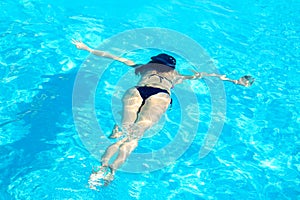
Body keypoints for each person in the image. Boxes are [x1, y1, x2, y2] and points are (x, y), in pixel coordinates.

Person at [71, 39, 254, 187]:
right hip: (160, 96)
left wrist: (86, 47)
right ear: (171, 67)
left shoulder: (143, 66)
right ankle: (112, 170)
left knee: (125, 128)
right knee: (134, 136)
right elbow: (207, 75)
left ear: (154, 61)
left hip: (137, 90)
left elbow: (113, 56)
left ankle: (101, 165)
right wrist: (235, 81)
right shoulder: (177, 75)